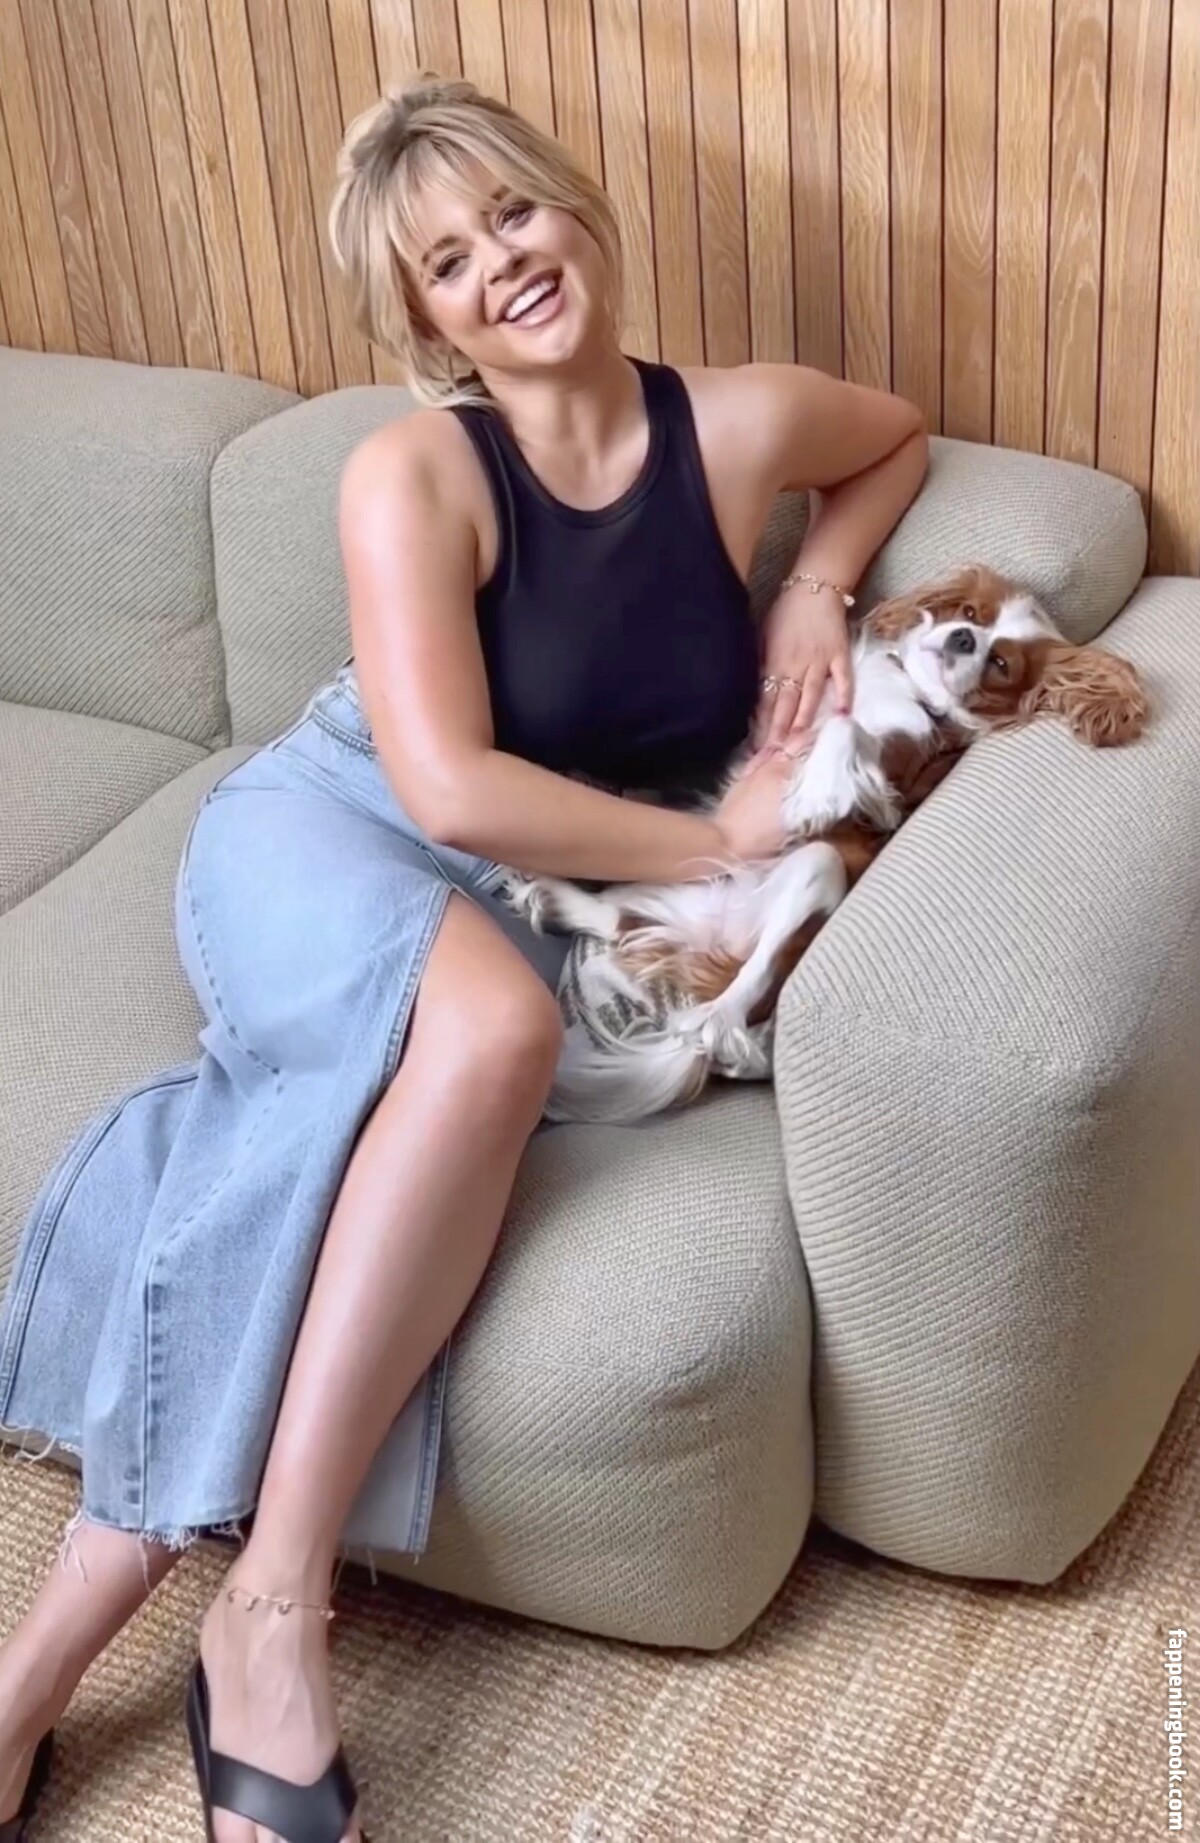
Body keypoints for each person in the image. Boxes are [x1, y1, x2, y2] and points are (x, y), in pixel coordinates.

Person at [0, 74, 928, 1843]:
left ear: (580, 213)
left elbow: (892, 435)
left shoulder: (739, 426)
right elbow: (448, 787)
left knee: (317, 1130)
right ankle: (273, 1610)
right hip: (339, 828)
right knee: (487, 1038)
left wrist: (819, 584)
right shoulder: (415, 470)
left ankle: (42, 1664)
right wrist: (723, 846)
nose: (499, 263)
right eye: (446, 261)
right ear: (427, 323)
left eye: (513, 213)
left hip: (541, 899)